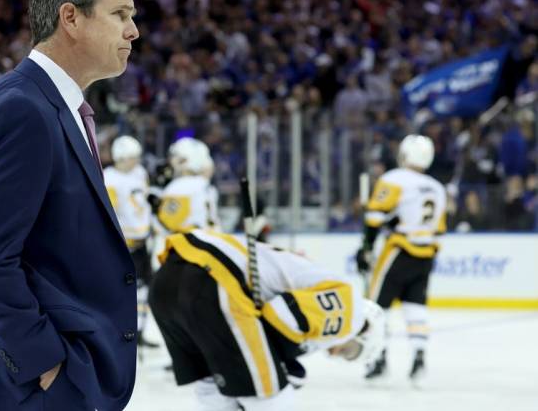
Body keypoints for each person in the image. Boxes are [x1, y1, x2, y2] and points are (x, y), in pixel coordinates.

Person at [0, 0, 140, 410]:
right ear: (71, 18)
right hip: (25, 390)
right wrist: (46, 367)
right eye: (120, 14)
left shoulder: (48, 105)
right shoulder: (24, 109)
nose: (133, 30)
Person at [149, 229, 385, 411]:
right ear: (365, 330)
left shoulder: (320, 282)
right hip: (212, 280)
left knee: (215, 394)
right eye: (349, 350)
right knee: (271, 397)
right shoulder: (352, 313)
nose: (335, 353)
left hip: (166, 286)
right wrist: (278, 363)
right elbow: (281, 315)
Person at [356, 134, 447, 385]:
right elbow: (438, 229)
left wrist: (365, 248)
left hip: (398, 250)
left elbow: (375, 216)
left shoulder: (393, 179)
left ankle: (378, 359)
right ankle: (419, 359)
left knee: (377, 306)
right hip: (426, 254)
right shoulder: (437, 188)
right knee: (415, 307)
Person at [104, 135, 158, 348]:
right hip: (123, 245)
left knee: (144, 289)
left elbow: (143, 200)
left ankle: (139, 331)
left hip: (142, 240)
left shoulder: (139, 173)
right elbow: (110, 212)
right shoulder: (110, 179)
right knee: (121, 290)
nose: (135, 162)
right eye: (131, 158)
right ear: (120, 157)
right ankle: (119, 332)